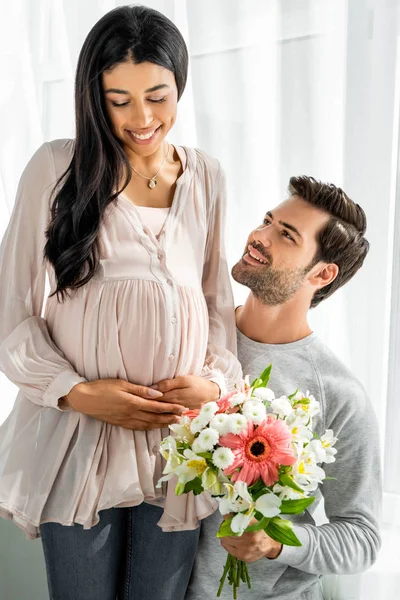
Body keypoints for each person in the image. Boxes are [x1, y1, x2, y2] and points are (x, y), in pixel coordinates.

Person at [0, 5, 241, 600]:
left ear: (180, 86)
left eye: (158, 96)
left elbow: (216, 307)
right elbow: (11, 311)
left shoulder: (206, 176)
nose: (142, 118)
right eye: (120, 99)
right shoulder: (57, 168)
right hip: (79, 440)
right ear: (94, 96)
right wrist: (78, 391)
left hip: (179, 447)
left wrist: (213, 386)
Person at [186, 176, 382, 600]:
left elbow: (363, 538)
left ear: (322, 273)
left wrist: (278, 543)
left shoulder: (338, 393)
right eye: (267, 221)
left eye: (286, 235)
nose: (259, 237)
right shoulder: (191, 336)